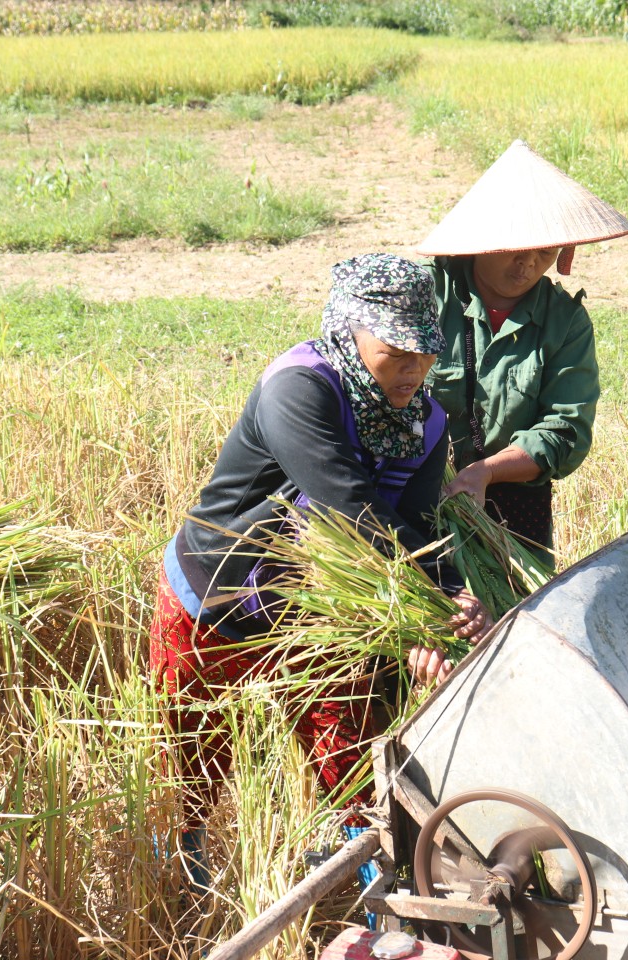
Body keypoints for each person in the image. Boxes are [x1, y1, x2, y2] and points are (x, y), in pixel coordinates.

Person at [148, 253, 491, 892]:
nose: (414, 369)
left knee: (350, 769)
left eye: (425, 353)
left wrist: (445, 603)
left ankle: (365, 892)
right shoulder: (298, 388)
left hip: (322, 618)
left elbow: (414, 525)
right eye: (396, 350)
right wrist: (425, 602)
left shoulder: (427, 421)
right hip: (217, 598)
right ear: (350, 329)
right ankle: (183, 886)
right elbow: (349, 505)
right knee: (191, 766)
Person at [416, 140, 628, 558]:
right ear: (484, 239)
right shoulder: (430, 294)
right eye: (516, 249)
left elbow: (564, 431)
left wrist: (487, 472)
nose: (528, 265)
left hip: (515, 503)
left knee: (517, 615)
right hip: (418, 491)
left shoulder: (565, 324)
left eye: (544, 252)